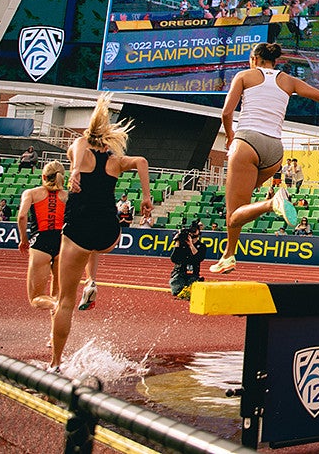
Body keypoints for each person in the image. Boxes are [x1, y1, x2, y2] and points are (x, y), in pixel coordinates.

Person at [210, 43, 319, 274]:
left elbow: (226, 113)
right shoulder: (288, 81)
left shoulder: (244, 75)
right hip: (275, 150)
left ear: (254, 59)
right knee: (242, 205)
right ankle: (229, 255)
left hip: (246, 143)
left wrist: (230, 136)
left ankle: (272, 203)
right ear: (274, 61)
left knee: (233, 214)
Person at [50, 94, 152, 372]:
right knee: (92, 249)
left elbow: (79, 149)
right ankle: (92, 280)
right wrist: (146, 197)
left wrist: (74, 173)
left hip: (79, 228)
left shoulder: (79, 147)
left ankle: (56, 363)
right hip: (109, 231)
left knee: (65, 301)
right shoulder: (115, 161)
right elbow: (142, 161)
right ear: (108, 138)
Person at [16, 161, 67, 310]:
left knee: (36, 298)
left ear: (43, 176)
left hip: (40, 243)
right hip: (61, 243)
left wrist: (24, 239)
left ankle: (55, 304)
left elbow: (22, 217)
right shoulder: (67, 196)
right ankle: (56, 330)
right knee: (58, 294)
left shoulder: (31, 193)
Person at [169, 220, 205, 299]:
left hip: (193, 274)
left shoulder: (202, 246)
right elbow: (174, 259)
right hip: (180, 272)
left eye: (195, 230)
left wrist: (191, 245)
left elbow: (199, 258)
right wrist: (177, 242)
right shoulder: (182, 244)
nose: (193, 232)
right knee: (177, 291)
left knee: (191, 292)